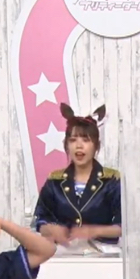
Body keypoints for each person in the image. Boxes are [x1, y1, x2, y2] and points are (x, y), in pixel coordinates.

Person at [33, 103, 123, 245]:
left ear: (96, 146)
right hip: (62, 252)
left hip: (103, 254)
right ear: (66, 145)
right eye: (73, 140)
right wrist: (50, 229)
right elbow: (39, 220)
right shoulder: (55, 182)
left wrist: (93, 231)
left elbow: (123, 225)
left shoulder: (111, 181)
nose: (79, 146)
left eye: (85, 140)